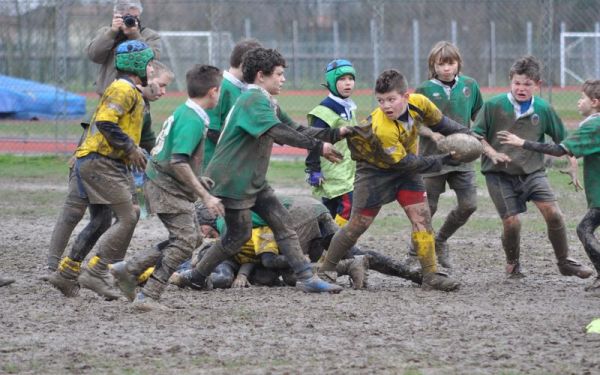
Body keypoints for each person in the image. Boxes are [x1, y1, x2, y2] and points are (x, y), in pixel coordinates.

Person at [178, 47, 348, 294]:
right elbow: (279, 132)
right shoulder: (252, 100)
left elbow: (295, 130)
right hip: (232, 181)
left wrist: (335, 133)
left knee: (279, 223)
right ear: (261, 76)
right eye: (278, 74)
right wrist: (319, 147)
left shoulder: (267, 102)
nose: (283, 79)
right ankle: (193, 273)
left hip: (251, 181)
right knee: (237, 236)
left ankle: (306, 277)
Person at [318, 69, 470, 292]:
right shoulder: (383, 127)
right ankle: (326, 269)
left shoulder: (419, 103)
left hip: (406, 170)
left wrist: (468, 135)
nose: (386, 105)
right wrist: (444, 160)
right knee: (358, 225)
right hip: (374, 172)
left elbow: (442, 124)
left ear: (406, 96)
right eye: (380, 100)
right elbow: (406, 163)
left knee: (422, 217)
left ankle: (430, 275)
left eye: (391, 99)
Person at [111, 64, 225, 310]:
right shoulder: (193, 119)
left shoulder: (188, 111)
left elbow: (178, 158)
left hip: (163, 182)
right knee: (184, 241)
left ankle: (130, 269)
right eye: (221, 91)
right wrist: (204, 195)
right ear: (214, 91)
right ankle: (148, 296)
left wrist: (198, 178)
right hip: (165, 187)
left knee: (191, 238)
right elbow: (178, 161)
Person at [44, 60, 173, 276]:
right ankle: (54, 267)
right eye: (161, 84)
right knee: (75, 212)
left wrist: (165, 167)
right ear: (145, 77)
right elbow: (98, 125)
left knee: (107, 219)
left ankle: (100, 268)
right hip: (90, 162)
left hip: (110, 167)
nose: (164, 91)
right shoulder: (122, 93)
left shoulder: (143, 108)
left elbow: (149, 144)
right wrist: (78, 155)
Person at [471, 55, 592, 279]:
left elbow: (563, 142)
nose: (521, 88)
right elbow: (476, 136)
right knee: (512, 222)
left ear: (538, 85)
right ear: (510, 81)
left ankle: (564, 261)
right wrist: (493, 153)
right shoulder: (494, 105)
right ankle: (513, 263)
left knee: (554, 214)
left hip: (533, 173)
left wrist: (572, 165)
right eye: (517, 83)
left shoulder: (544, 109)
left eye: (527, 84)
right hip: (499, 175)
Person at [497, 79, 600, 292]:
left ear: (595, 102)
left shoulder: (594, 125)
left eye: (582, 98)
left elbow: (559, 150)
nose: (579, 102)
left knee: (584, 229)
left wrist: (522, 142)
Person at [411, 41, 484, 268]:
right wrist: (432, 135)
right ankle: (414, 255)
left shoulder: (470, 86)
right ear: (433, 65)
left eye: (450, 63)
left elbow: (480, 116)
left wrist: (478, 139)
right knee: (426, 209)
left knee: (469, 205)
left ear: (458, 64)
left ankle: (440, 240)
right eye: (440, 64)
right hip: (432, 159)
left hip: (463, 158)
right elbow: (414, 123)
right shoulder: (423, 90)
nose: (446, 68)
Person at [304, 59, 357, 227]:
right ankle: (337, 242)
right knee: (349, 206)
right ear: (331, 82)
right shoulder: (324, 111)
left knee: (330, 211)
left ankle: (324, 245)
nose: (348, 83)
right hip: (333, 170)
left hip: (347, 168)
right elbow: (312, 141)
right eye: (342, 79)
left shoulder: (348, 107)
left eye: (351, 78)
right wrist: (313, 170)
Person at [203, 38, 263, 170]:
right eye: (257, 66)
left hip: (232, 165)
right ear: (244, 64)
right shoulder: (221, 87)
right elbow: (211, 130)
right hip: (213, 165)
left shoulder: (245, 88)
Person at [86, 0, 160, 97]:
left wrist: (135, 35)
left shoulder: (149, 35)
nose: (131, 20)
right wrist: (112, 33)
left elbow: (153, 59)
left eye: (135, 17)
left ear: (139, 15)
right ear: (115, 16)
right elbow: (94, 55)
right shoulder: (106, 32)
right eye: (127, 17)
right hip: (108, 94)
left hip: (138, 95)